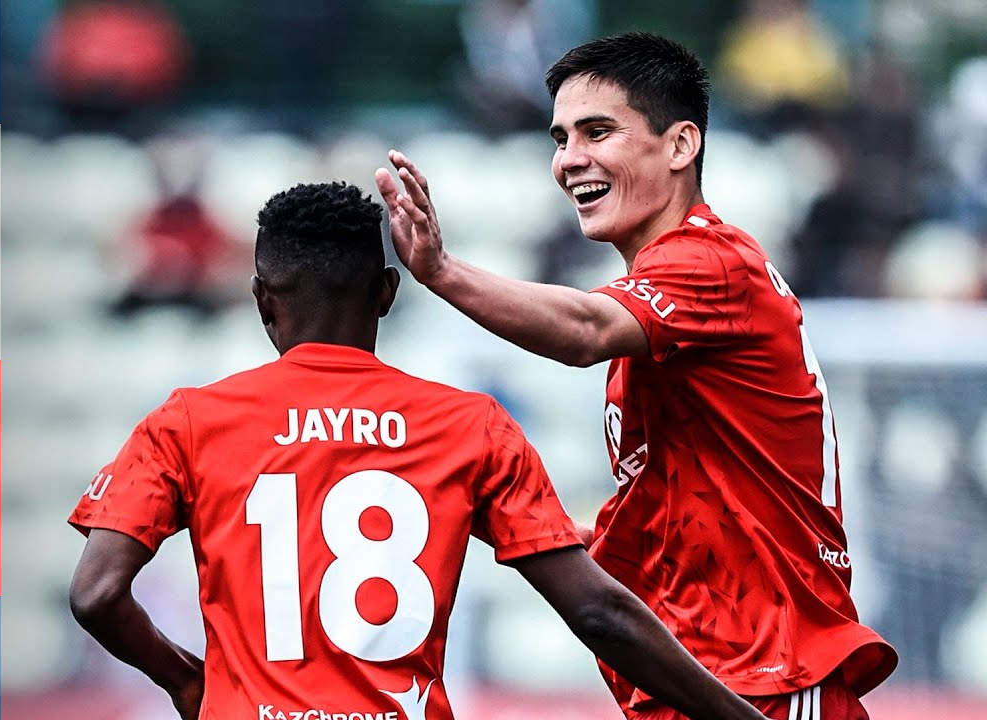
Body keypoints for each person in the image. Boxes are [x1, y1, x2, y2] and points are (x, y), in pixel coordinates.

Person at [68, 181, 772, 720]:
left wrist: (187, 681)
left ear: (261, 300)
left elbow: (96, 595)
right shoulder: (470, 426)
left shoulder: (188, 422)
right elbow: (599, 614)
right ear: (386, 294)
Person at [374, 32, 897, 720]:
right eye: (560, 138)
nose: (569, 159)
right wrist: (500, 513)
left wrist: (442, 272)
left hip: (768, 677)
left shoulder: (712, 262)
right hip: (705, 676)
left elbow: (583, 332)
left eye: (597, 132)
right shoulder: (664, 322)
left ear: (680, 145)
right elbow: (663, 530)